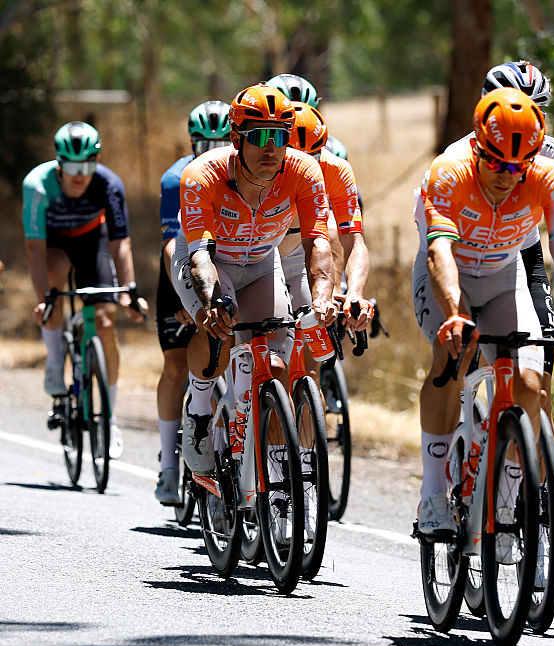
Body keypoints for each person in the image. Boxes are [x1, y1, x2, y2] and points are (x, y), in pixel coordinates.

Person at [412, 88, 554, 535]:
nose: (506, 176)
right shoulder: (448, 171)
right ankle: (433, 497)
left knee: (529, 384)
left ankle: (504, 505)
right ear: (477, 146)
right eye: (496, 163)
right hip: (447, 274)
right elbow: (439, 251)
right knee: (452, 358)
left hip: (503, 278)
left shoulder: (550, 178)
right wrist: (456, 315)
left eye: (518, 168)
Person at [170, 83, 337, 480]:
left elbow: (318, 242)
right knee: (219, 333)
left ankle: (278, 484)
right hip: (209, 262)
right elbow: (200, 257)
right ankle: (198, 411)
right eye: (260, 136)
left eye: (279, 136)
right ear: (235, 138)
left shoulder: (303, 170)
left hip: (263, 262)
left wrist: (323, 298)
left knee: (276, 367)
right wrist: (212, 304)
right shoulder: (201, 175)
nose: (271, 148)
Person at [414, 60, 554, 416]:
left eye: (538, 109)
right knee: (461, 359)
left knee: (537, 373)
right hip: (459, 258)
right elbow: (439, 246)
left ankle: (531, 464)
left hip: (521, 252)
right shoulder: (461, 159)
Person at [23, 121, 149, 460]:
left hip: (93, 241)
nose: (80, 175)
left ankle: (109, 419)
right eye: (73, 167)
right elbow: (35, 250)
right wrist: (42, 301)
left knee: (105, 323)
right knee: (55, 278)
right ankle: (54, 360)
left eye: (88, 165)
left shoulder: (109, 184)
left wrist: (130, 290)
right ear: (59, 164)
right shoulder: (37, 185)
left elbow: (122, 242)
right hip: (53, 244)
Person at [153, 100, 232, 505]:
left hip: (230, 265)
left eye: (219, 140)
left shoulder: (241, 171)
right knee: (175, 364)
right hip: (180, 266)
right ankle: (169, 464)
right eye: (203, 141)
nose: (211, 148)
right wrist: (188, 294)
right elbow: (171, 245)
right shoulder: (176, 177)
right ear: (191, 140)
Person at [281, 102, 372, 334]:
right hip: (251, 253)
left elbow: (353, 240)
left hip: (297, 253)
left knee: (315, 339)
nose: (307, 167)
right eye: (298, 160)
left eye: (315, 156)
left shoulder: (337, 170)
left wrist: (354, 293)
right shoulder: (263, 170)